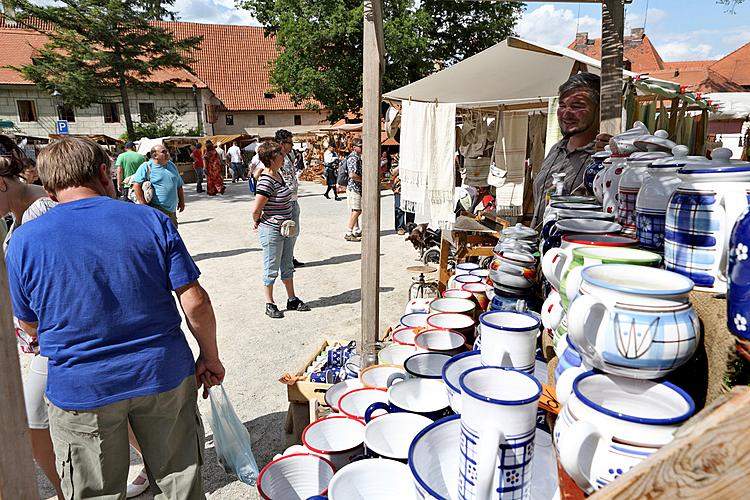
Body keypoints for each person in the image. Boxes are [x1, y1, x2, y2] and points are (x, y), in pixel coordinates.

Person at [6, 136, 225, 499]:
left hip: (82, 387)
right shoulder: (151, 220)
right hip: (162, 372)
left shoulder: (25, 241)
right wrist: (210, 356)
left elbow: (28, 324)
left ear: (47, 188)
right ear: (104, 173)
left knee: (96, 492)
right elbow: (196, 301)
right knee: (179, 481)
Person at [0, 135, 62, 499]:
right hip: (44, 335)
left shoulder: (40, 211)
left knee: (33, 418)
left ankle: (67, 491)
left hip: (51, 336)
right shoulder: (24, 211)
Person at [531, 72, 610, 228]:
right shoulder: (556, 150)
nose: (566, 113)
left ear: (600, 110)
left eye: (577, 106)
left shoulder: (605, 157)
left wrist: (615, 157)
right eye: (562, 105)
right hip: (545, 246)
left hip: (576, 248)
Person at [251, 140, 311, 319]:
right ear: (270, 158)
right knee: (271, 267)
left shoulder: (278, 175)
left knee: (287, 264)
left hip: (286, 229)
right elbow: (256, 210)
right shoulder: (266, 181)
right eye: (280, 155)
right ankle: (269, 303)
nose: (283, 158)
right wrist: (257, 221)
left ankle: (291, 299)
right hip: (272, 230)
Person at [132, 145, 185, 227]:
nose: (167, 153)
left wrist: (182, 201)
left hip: (172, 211)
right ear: (154, 155)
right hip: (157, 209)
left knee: (172, 236)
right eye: (164, 152)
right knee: (160, 236)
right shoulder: (147, 167)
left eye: (167, 151)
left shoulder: (171, 165)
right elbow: (136, 186)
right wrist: (144, 206)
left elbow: (179, 185)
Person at [275, 129, 305, 267]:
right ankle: (285, 259)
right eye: (289, 142)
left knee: (294, 231)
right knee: (287, 232)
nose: (292, 145)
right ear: (282, 143)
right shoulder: (275, 157)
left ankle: (289, 256)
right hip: (285, 201)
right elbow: (259, 173)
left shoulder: (287, 156)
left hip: (293, 199)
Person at [344, 139, 363, 242]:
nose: (362, 148)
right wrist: (364, 180)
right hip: (354, 187)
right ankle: (348, 232)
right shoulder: (353, 158)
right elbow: (352, 175)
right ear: (354, 147)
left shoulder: (357, 157)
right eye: (360, 146)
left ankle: (356, 229)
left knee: (354, 210)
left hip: (355, 188)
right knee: (357, 210)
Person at [390, 159, 413, 235]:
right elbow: (393, 172)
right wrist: (402, 165)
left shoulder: (414, 156)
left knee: (411, 207)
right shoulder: (397, 158)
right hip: (399, 187)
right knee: (399, 207)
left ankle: (410, 226)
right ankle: (400, 227)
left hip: (411, 185)